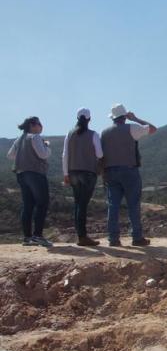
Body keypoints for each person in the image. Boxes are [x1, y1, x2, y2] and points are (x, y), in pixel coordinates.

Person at [100, 104, 157, 247]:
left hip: (110, 171)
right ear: (124, 116)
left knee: (113, 206)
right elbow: (153, 129)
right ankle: (136, 237)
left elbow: (100, 155)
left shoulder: (104, 132)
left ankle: (113, 239)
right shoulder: (131, 128)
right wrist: (135, 118)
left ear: (113, 118)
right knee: (133, 205)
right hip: (129, 171)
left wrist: (103, 174)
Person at [7, 116, 53, 247]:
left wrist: (23, 155)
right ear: (33, 125)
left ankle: (27, 237)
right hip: (35, 173)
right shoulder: (34, 137)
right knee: (42, 203)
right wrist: (46, 146)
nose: (41, 126)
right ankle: (38, 235)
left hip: (21, 174)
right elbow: (43, 154)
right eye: (39, 124)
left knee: (28, 204)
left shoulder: (19, 139)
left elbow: (10, 155)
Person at [62, 108, 103, 246]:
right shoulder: (93, 134)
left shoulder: (69, 133)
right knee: (83, 205)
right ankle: (83, 237)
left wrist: (65, 174)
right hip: (88, 173)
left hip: (73, 172)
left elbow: (65, 155)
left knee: (78, 204)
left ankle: (80, 235)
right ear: (89, 119)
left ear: (77, 118)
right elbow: (100, 154)